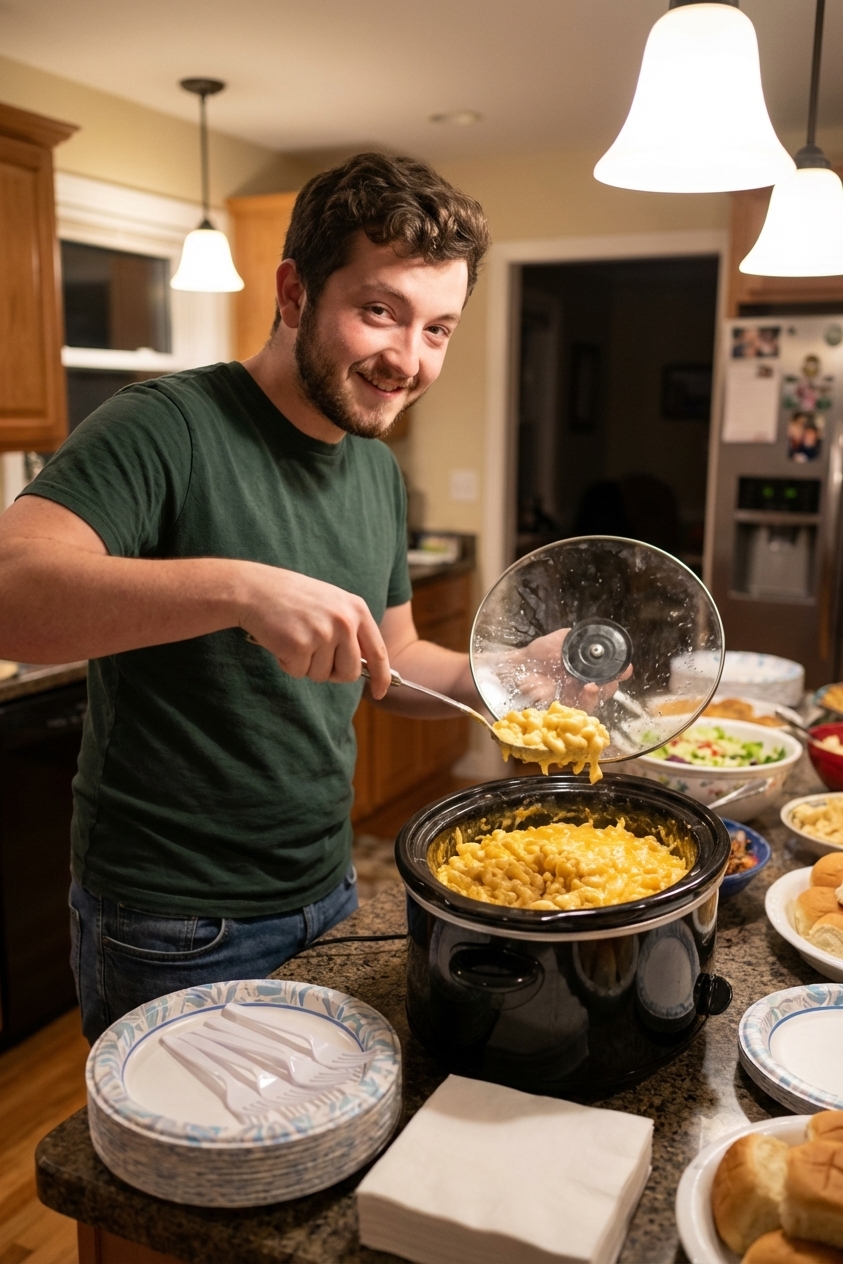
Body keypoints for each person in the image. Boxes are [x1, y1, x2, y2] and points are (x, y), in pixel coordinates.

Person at [0, 152, 493, 1043]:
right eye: (380, 311)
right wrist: (238, 588)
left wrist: (504, 676)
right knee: (185, 1182)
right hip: (173, 921)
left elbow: (396, 662)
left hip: (328, 886)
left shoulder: (374, 469)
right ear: (295, 292)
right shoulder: (166, 425)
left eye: (437, 329)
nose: (408, 360)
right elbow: (13, 595)